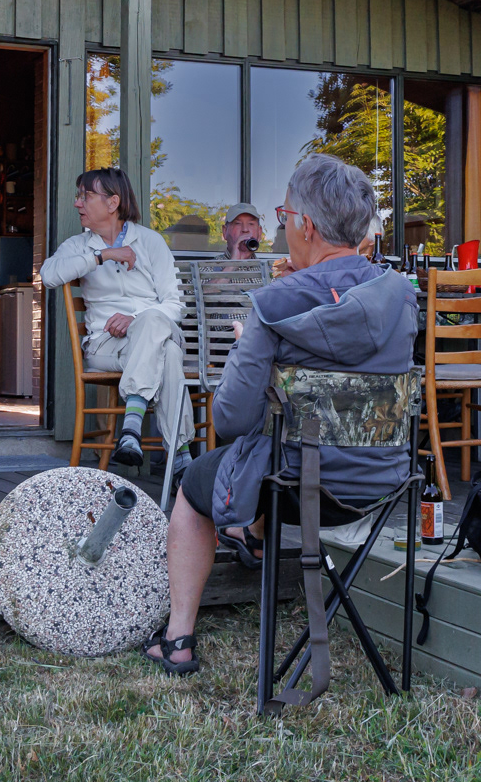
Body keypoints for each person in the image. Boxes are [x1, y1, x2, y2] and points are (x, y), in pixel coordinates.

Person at [143, 154, 418, 676]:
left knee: (194, 482)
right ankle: (247, 533)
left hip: (298, 484)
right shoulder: (402, 295)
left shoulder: (273, 304)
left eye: (284, 214)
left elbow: (232, 421)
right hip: (382, 482)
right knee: (278, 444)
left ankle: (178, 637)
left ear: (305, 226)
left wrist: (254, 346)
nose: (282, 223)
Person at [40, 168, 191, 473]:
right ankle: (181, 458)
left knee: (158, 331)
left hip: (151, 332)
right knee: (167, 351)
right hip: (105, 346)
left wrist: (135, 318)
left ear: (112, 203)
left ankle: (131, 428)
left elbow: (176, 304)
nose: (77, 203)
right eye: (78, 196)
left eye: (86, 196)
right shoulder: (79, 246)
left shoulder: (150, 242)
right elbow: (48, 275)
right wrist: (103, 255)